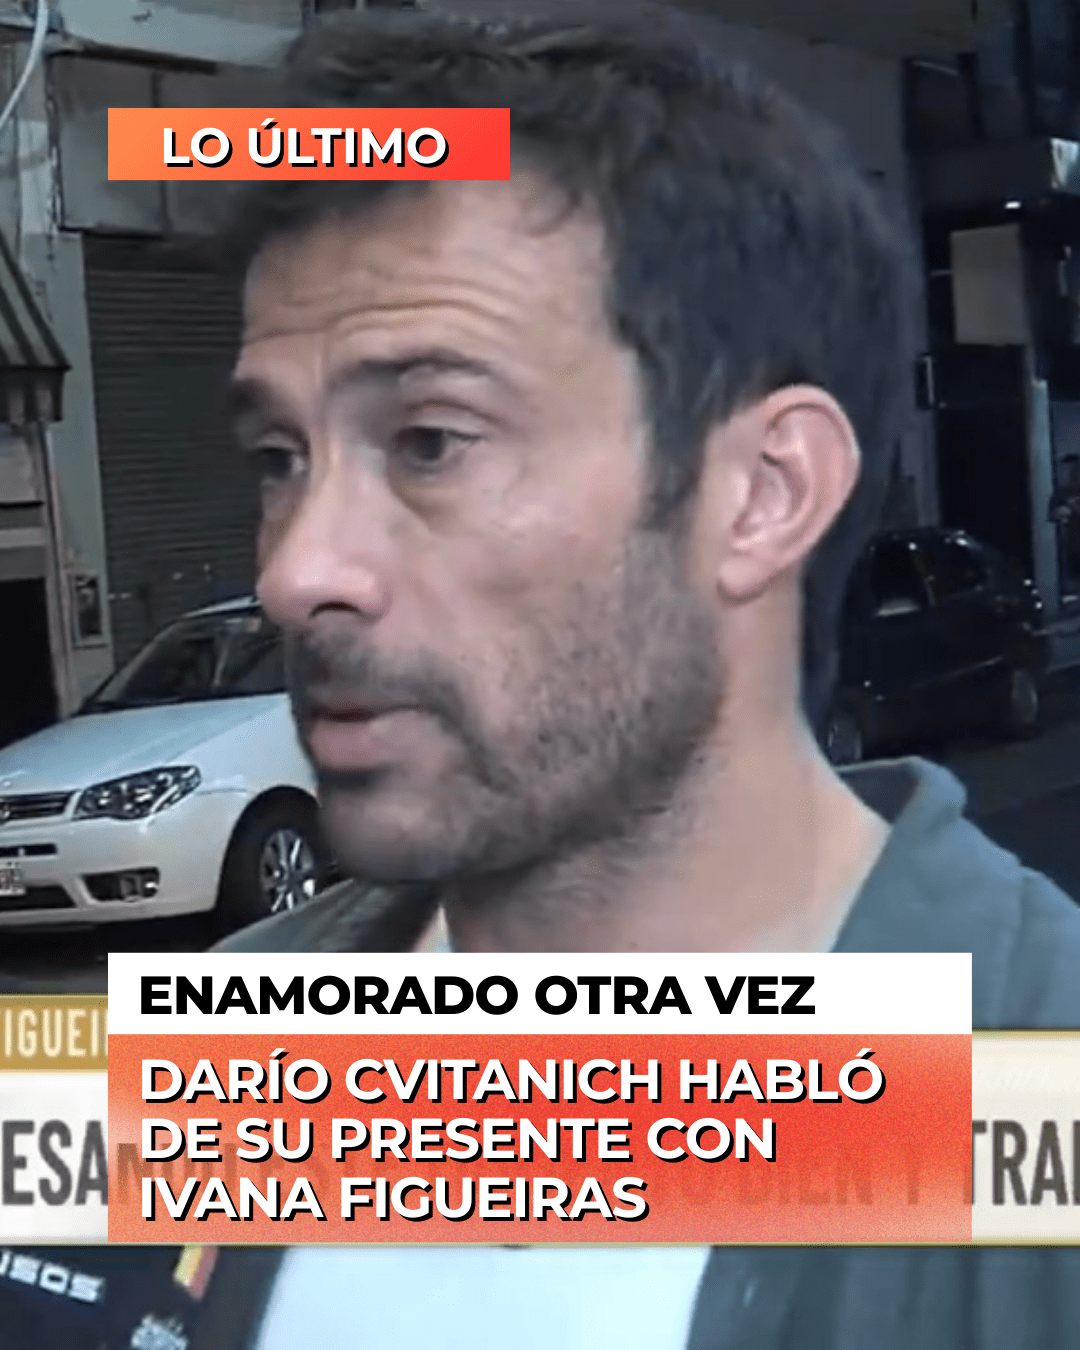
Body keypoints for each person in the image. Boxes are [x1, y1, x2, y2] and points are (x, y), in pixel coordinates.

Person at [215, 7, 1080, 1347]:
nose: (294, 571)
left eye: (432, 440)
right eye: (281, 459)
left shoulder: (1038, 1095)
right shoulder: (203, 1071)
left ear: (763, 495)